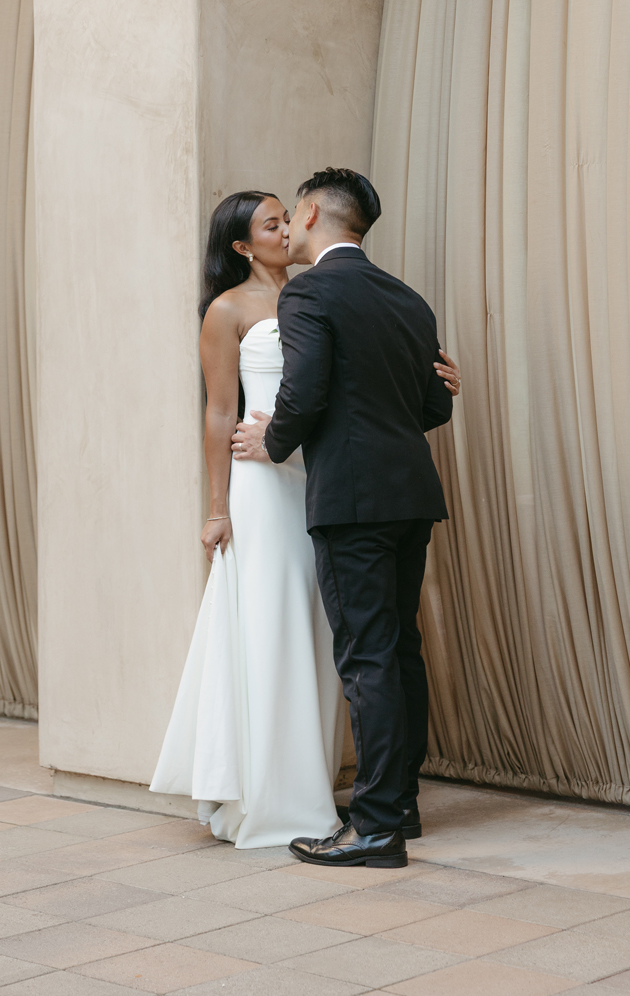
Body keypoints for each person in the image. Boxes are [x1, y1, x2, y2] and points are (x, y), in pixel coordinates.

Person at [150, 189, 460, 848]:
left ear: (312, 216)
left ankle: (375, 821)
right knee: (361, 643)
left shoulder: (315, 293)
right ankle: (378, 803)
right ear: (241, 245)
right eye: (272, 221)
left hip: (330, 486)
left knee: (364, 650)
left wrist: (280, 438)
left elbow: (318, 390)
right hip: (288, 490)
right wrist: (217, 506)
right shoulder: (380, 295)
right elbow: (220, 411)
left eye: (288, 214)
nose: (285, 225)